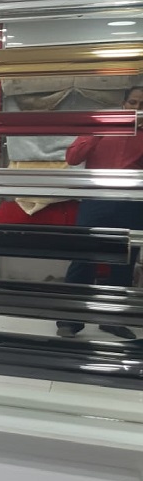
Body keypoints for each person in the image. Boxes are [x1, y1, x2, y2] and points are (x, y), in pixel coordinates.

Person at [56, 85, 143, 339]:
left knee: (124, 261)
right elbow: (73, 157)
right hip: (97, 199)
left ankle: (112, 320)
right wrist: (101, 130)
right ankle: (70, 321)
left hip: (133, 202)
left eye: (142, 105)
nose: (136, 108)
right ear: (123, 104)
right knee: (83, 258)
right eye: (133, 103)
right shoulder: (100, 125)